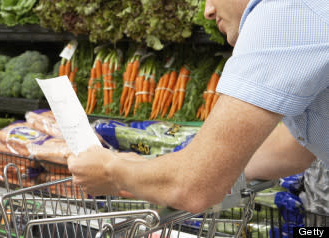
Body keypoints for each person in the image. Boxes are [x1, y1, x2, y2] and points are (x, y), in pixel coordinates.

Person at [68, 0, 328, 214]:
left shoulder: (285, 13)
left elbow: (192, 187)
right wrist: (217, 167)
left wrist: (112, 171)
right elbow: (295, 148)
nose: (207, 10)